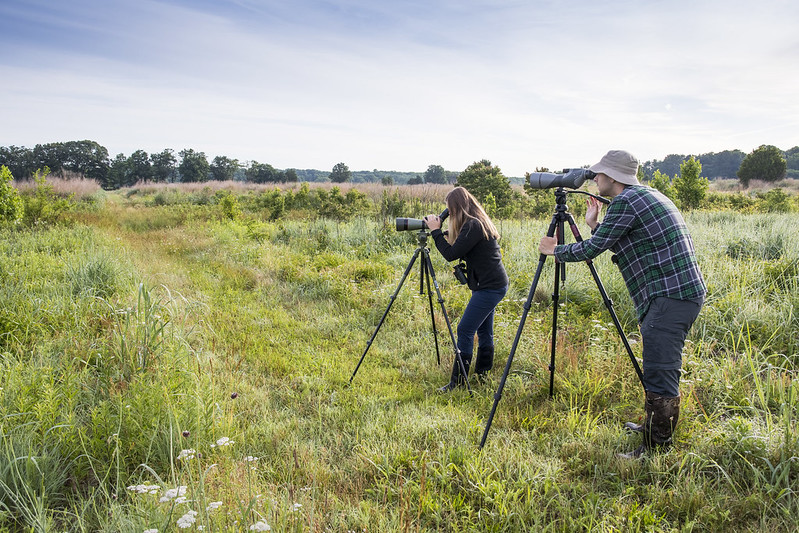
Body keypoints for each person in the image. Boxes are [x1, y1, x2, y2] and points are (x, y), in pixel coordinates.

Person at [538, 150, 706, 458]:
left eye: (598, 174)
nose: (595, 178)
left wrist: (556, 250)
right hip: (676, 294)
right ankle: (653, 428)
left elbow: (593, 250)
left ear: (612, 177)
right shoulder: (644, 197)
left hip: (670, 297)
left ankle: (655, 451)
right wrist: (593, 223)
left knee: (660, 372)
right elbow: (622, 238)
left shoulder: (626, 201)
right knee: (658, 367)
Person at [423, 187, 509, 392]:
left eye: (449, 210)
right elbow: (462, 245)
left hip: (490, 288)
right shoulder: (474, 224)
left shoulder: (473, 225)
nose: (448, 213)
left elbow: (451, 254)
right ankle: (482, 374)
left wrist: (435, 232)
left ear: (457, 207)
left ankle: (458, 382)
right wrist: (447, 232)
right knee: (484, 331)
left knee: (465, 330)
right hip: (491, 285)